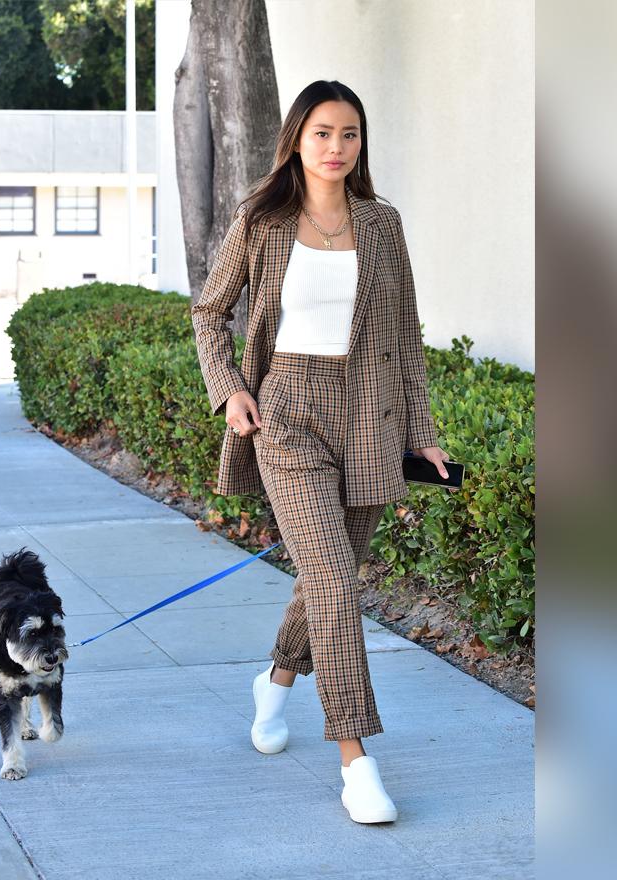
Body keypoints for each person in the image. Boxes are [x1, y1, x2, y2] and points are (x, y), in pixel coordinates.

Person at [191, 80, 450, 824]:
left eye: (351, 135)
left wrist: (422, 432)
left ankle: (276, 679)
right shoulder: (262, 220)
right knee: (336, 579)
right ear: (297, 141)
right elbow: (209, 313)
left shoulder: (382, 224)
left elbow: (404, 335)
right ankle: (356, 760)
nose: (337, 148)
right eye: (323, 133)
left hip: (371, 412)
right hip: (288, 414)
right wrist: (231, 389)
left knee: (328, 577)